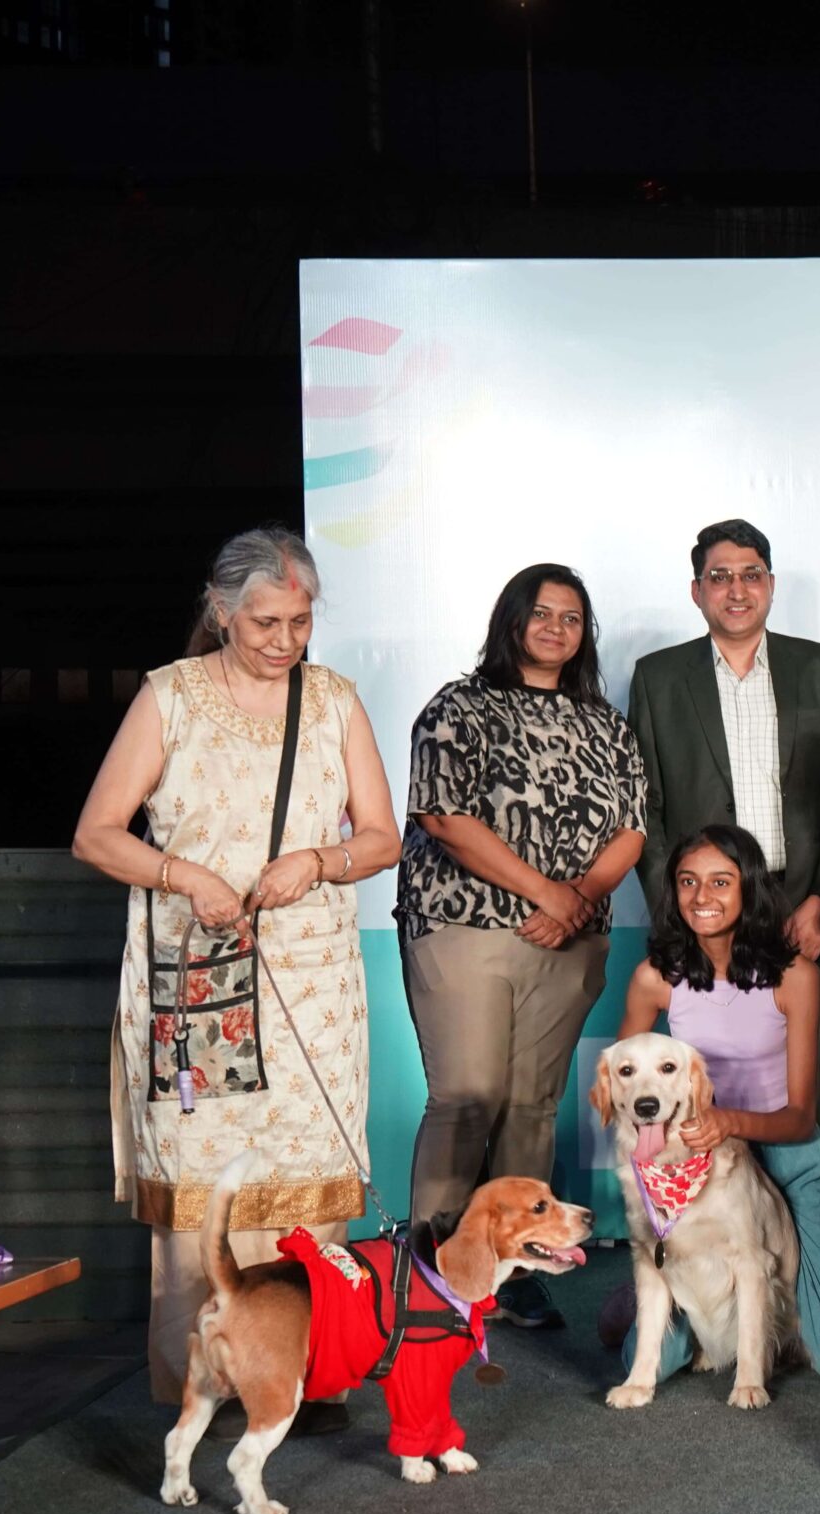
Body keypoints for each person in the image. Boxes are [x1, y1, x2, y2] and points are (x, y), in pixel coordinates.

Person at [73, 525, 399, 1417]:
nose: (284, 642)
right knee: (203, 1180)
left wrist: (319, 863)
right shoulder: (168, 697)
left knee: (308, 1172)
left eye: (299, 621)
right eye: (264, 622)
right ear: (220, 612)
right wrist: (184, 873)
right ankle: (200, 1392)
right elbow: (96, 834)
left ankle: (302, 1375)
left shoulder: (331, 700)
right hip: (197, 979)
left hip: (309, 982)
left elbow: (381, 835)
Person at [395, 563, 647, 1330]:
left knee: (532, 1105)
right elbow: (442, 814)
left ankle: (516, 1266)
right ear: (511, 620)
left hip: (570, 941)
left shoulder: (605, 724)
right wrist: (548, 892)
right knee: (468, 1095)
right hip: (466, 925)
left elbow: (631, 826)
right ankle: (434, 1272)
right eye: (540, 613)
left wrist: (577, 902)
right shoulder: (459, 707)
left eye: (572, 618)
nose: (555, 629)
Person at [626, 519, 820, 1140]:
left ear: (771, 584)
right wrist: (675, 910)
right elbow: (642, 810)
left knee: (804, 1079)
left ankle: (810, 1220)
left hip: (798, 898)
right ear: (697, 590)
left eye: (751, 575)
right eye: (720, 576)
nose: (737, 589)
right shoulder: (658, 678)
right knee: (695, 1072)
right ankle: (698, 1218)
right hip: (700, 902)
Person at [616, 826, 820, 1385]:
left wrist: (728, 1121)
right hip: (696, 1162)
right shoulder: (655, 979)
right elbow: (622, 1085)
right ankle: (654, 1279)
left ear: (748, 889)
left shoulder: (795, 977)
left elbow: (802, 1114)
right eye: (688, 882)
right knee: (650, 1362)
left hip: (786, 1154)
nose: (701, 896)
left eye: (719, 882)